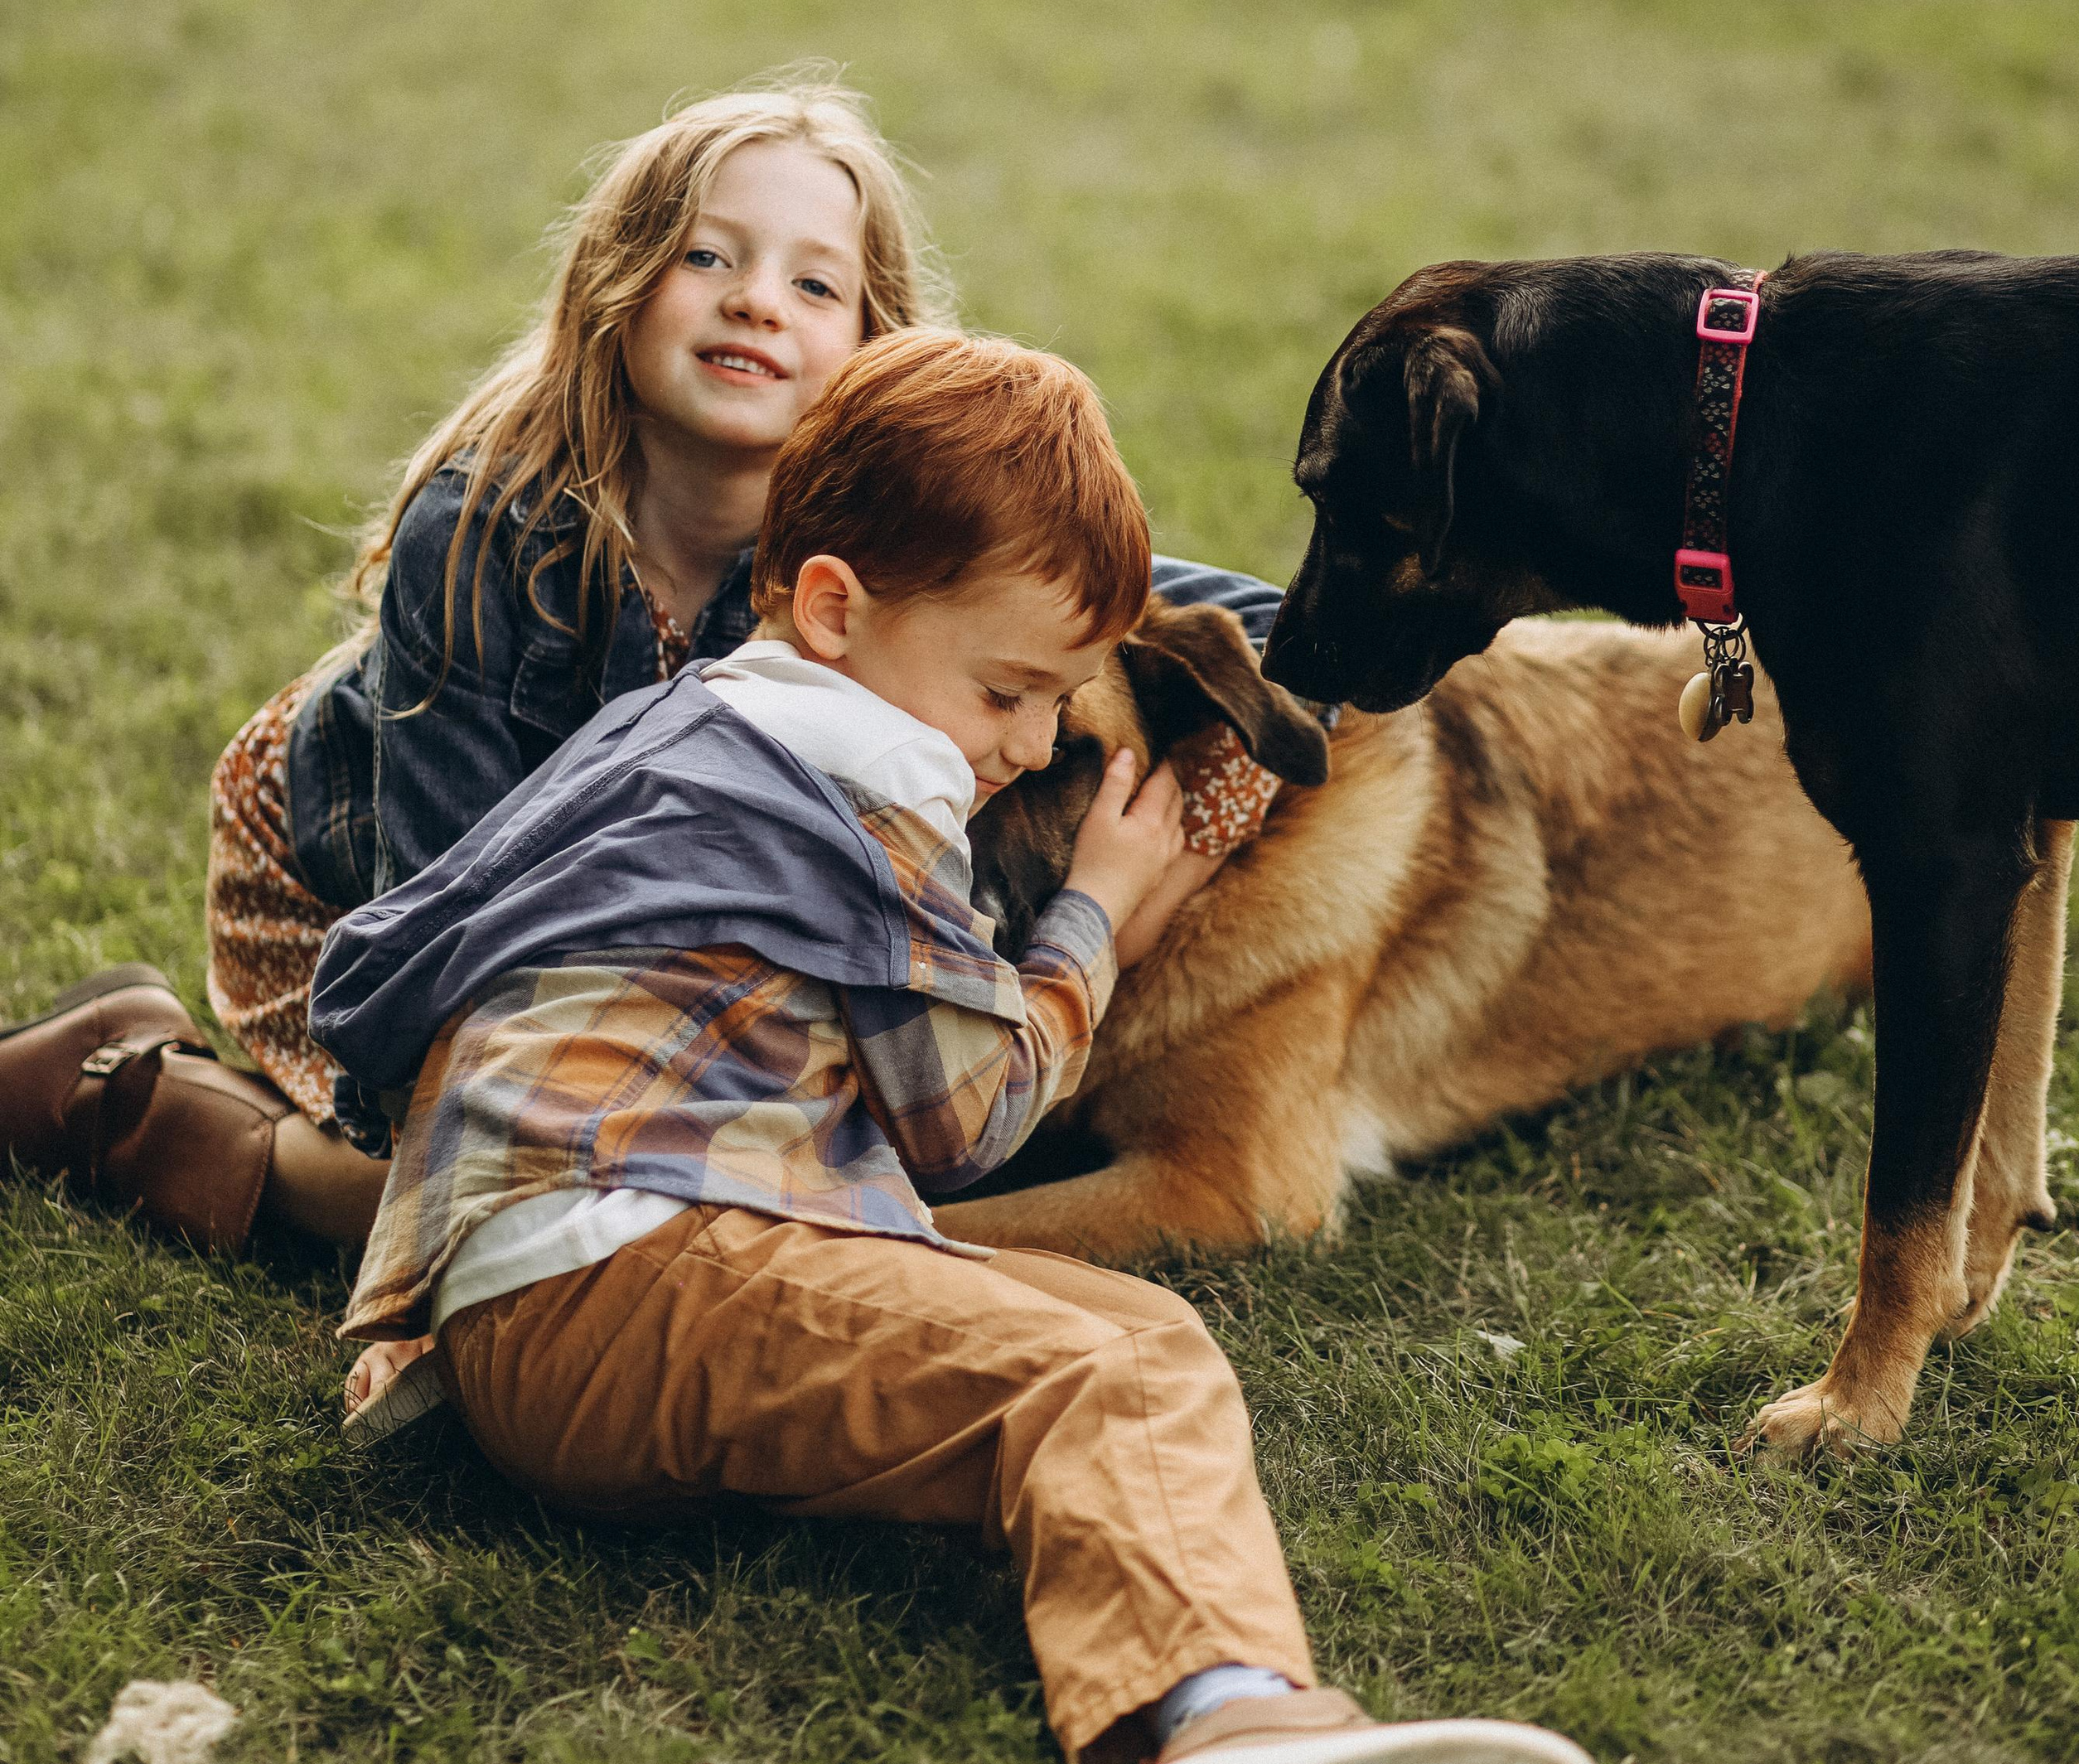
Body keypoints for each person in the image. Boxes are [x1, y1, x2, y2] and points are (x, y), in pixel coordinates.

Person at [311, 331, 1612, 1764]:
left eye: (1063, 703)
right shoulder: (875, 794)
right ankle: (1222, 1726)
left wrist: (426, 1288)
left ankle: (498, 1370)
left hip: (543, 1273)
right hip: (637, 1268)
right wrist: (1102, 918)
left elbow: (409, 946)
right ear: (840, 610)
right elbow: (970, 1122)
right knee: (1106, 1384)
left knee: (1145, 1337)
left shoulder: (682, 725)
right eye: (1011, 693)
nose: (1034, 744)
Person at [0, 82, 1274, 1255]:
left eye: (816, 287)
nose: (757, 300)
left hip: (618, 909)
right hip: (371, 883)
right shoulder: (488, 532)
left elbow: (1264, 633)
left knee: (721, 1163)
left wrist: (1171, 857)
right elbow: (456, 932)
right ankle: (146, 1108)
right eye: (707, 257)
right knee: (541, 1198)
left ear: (881, 353)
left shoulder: (895, 545)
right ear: (615, 286)